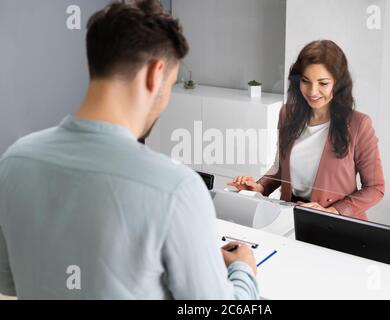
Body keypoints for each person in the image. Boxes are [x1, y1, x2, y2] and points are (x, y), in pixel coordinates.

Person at [0, 0, 258, 299]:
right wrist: (243, 270)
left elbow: (8, 282)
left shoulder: (14, 161)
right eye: (171, 84)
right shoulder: (176, 188)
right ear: (154, 74)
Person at [229, 40, 385, 220]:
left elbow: (375, 188)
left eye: (323, 83)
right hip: (290, 218)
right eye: (305, 81)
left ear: (339, 83)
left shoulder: (359, 124)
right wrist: (260, 187)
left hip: (336, 224)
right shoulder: (287, 113)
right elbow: (280, 168)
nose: (313, 91)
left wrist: (331, 212)